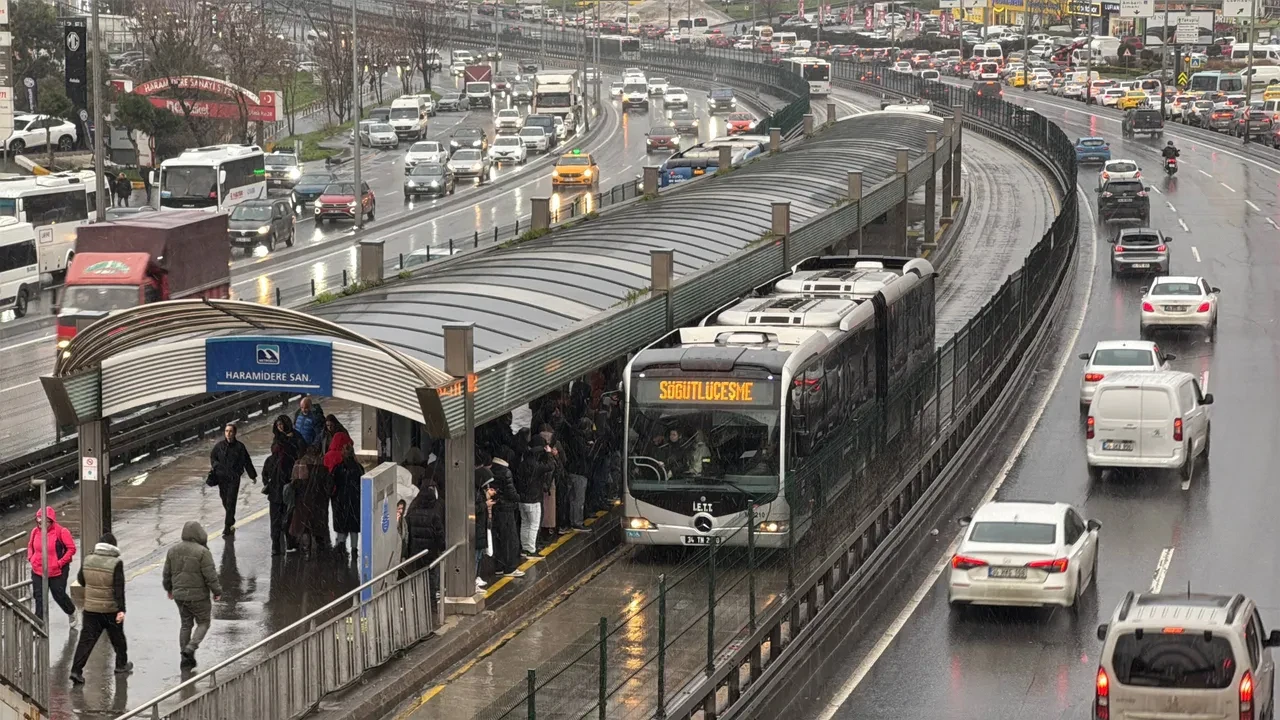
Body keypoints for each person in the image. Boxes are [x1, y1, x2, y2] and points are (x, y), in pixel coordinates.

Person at [69, 532, 131, 683]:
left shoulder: (88, 559)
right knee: (118, 639)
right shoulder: (116, 563)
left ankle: (76, 671)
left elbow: (81, 580)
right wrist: (121, 609)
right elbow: (118, 588)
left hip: (91, 609)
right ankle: (121, 665)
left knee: (86, 641)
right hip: (110, 610)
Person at [162, 521, 223, 670]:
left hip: (179, 596)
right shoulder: (203, 552)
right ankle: (191, 648)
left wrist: (169, 589)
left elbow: (167, 573)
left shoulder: (172, 550)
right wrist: (217, 591)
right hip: (199, 596)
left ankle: (185, 657)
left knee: (185, 624)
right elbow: (210, 575)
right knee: (203, 622)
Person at [26, 506, 77, 626]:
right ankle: (39, 624)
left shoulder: (61, 532)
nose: (40, 524)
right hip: (38, 569)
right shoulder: (35, 532)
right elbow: (30, 546)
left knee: (58, 594)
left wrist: (59, 563)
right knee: (39, 597)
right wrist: (31, 558)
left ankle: (71, 611)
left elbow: (71, 549)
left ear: (51, 521)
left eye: (44, 522)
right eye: (38, 521)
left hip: (57, 571)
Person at [262, 415, 304, 555]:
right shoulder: (288, 456)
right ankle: (288, 543)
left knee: (278, 519)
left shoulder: (273, 459)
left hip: (278, 491)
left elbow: (265, 475)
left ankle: (277, 545)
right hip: (285, 489)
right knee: (287, 518)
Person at [209, 423, 257, 535]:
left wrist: (252, 475)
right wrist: (216, 466)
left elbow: (247, 461)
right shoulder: (219, 446)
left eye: (230, 431)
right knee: (224, 499)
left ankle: (227, 526)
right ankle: (231, 518)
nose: (228, 433)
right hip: (222, 478)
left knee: (231, 501)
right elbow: (213, 457)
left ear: (234, 433)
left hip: (234, 478)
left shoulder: (240, 447)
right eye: (226, 431)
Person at [402, 482, 445, 598]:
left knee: (417, 574)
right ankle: (431, 598)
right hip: (431, 551)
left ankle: (418, 596)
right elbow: (439, 534)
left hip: (415, 551)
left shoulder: (412, 514)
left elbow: (406, 534)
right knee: (431, 574)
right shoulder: (434, 515)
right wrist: (442, 547)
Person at [289, 445, 332, 554]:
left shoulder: (299, 465)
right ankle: (321, 549)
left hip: (303, 501)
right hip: (319, 501)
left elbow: (293, 484)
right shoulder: (323, 467)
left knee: (305, 526)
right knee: (319, 525)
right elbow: (329, 485)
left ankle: (306, 550)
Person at [488, 448, 524, 577]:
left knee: (498, 538)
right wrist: (519, 497)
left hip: (495, 507)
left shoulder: (491, 470)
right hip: (507, 509)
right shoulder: (506, 472)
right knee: (510, 539)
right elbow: (510, 492)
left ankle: (499, 566)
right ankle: (510, 567)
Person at [515, 436, 553, 556]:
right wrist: (549, 454)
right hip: (534, 499)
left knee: (525, 524)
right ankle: (531, 550)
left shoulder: (521, 465)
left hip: (522, 499)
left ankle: (525, 548)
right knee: (533, 525)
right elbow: (550, 466)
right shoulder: (537, 466)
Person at [331, 444, 363, 553]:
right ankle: (354, 550)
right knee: (354, 528)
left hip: (341, 501)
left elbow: (332, 484)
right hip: (355, 502)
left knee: (341, 527)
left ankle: (341, 547)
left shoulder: (338, 468)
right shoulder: (358, 468)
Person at [475, 467, 495, 590]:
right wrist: (485, 504)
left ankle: (476, 576)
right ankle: (473, 580)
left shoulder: (478, 491)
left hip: (480, 527)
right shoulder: (474, 493)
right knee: (475, 556)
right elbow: (472, 509)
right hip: (477, 527)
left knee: (479, 555)